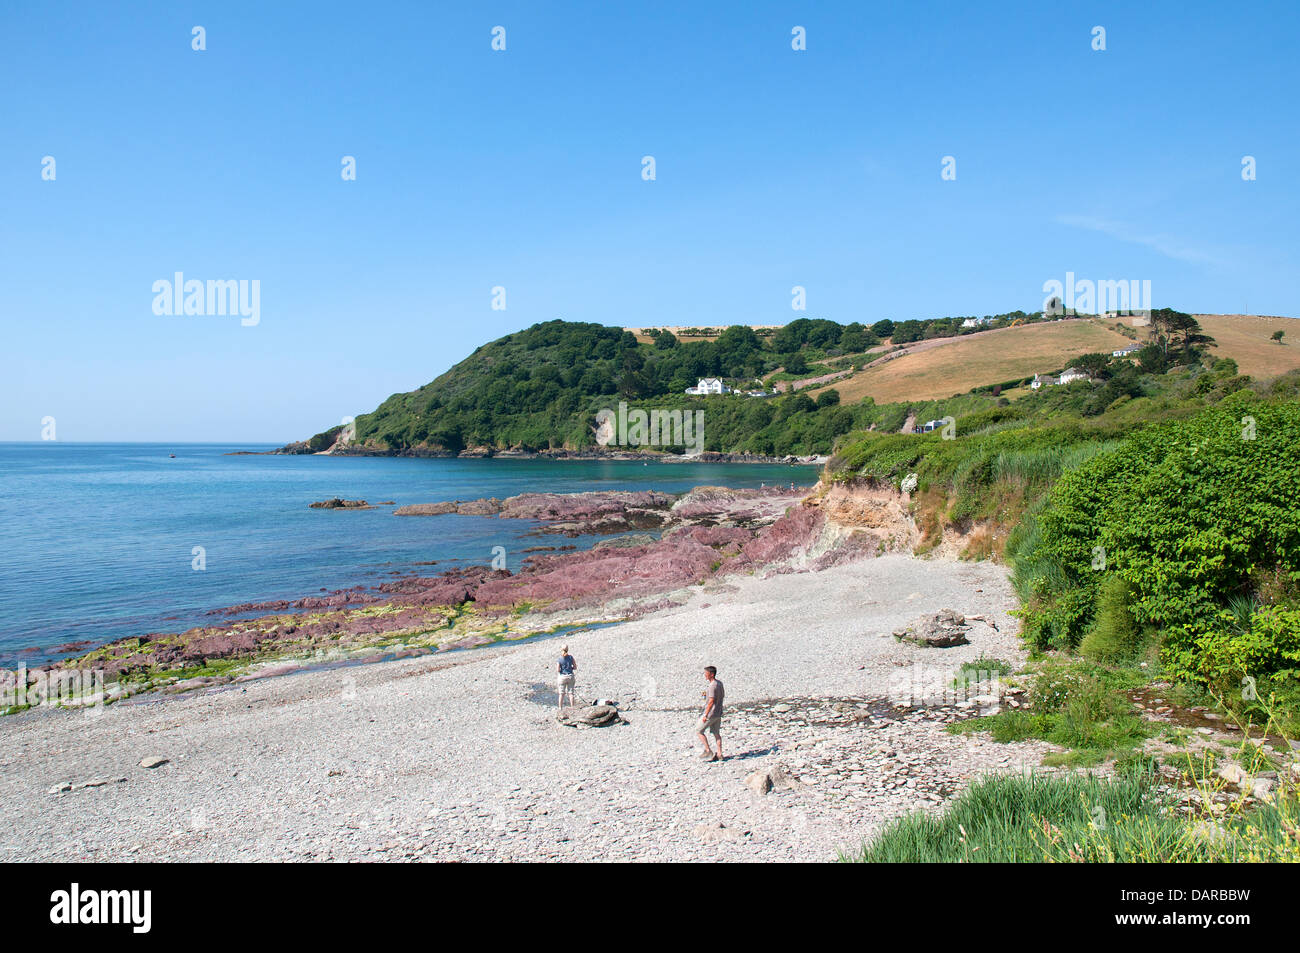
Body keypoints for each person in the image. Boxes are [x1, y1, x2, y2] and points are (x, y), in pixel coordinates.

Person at [696, 666, 725, 761]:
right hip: (718, 713)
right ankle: (720, 754)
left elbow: (711, 701)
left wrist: (705, 715)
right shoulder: (720, 683)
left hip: (711, 714)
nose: (705, 675)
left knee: (699, 730)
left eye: (706, 673)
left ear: (711, 674)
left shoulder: (712, 685)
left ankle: (708, 750)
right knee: (716, 733)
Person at [556, 645, 578, 710]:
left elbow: (558, 670)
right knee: (571, 693)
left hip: (562, 677)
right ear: (567, 649)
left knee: (561, 694)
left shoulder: (559, 659)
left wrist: (562, 669)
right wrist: (570, 668)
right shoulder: (571, 657)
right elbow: (575, 667)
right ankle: (572, 707)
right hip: (570, 676)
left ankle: (560, 708)